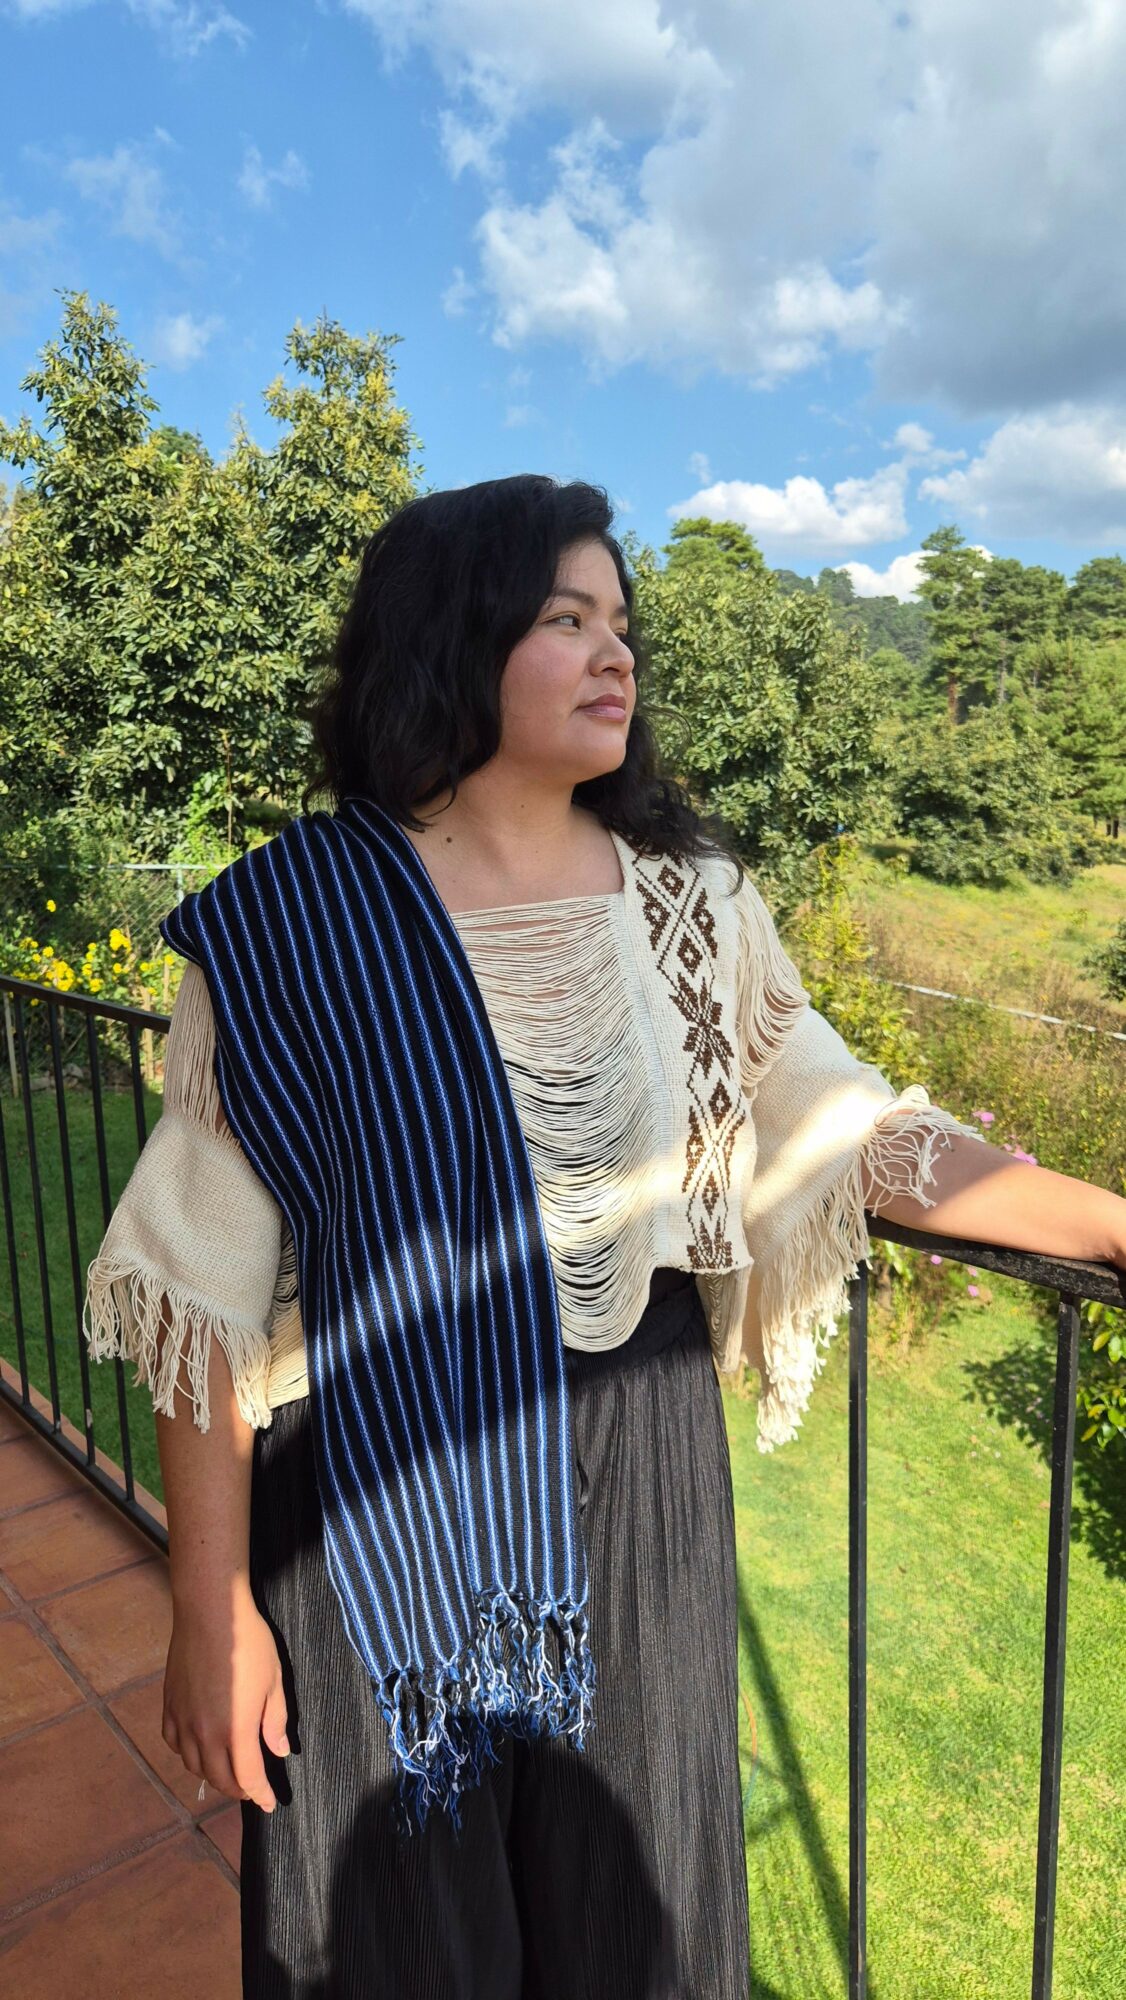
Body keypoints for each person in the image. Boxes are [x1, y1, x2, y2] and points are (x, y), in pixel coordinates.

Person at [84, 475, 1126, 1999]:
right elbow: (200, 1292)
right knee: (392, 1934)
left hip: (636, 1477)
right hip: (374, 1486)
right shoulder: (290, 927)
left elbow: (844, 1130)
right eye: (564, 619)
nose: (613, 655)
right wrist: (208, 1608)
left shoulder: (688, 914)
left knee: (631, 1913)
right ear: (451, 641)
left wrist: (1099, 1218)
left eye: (620, 624)